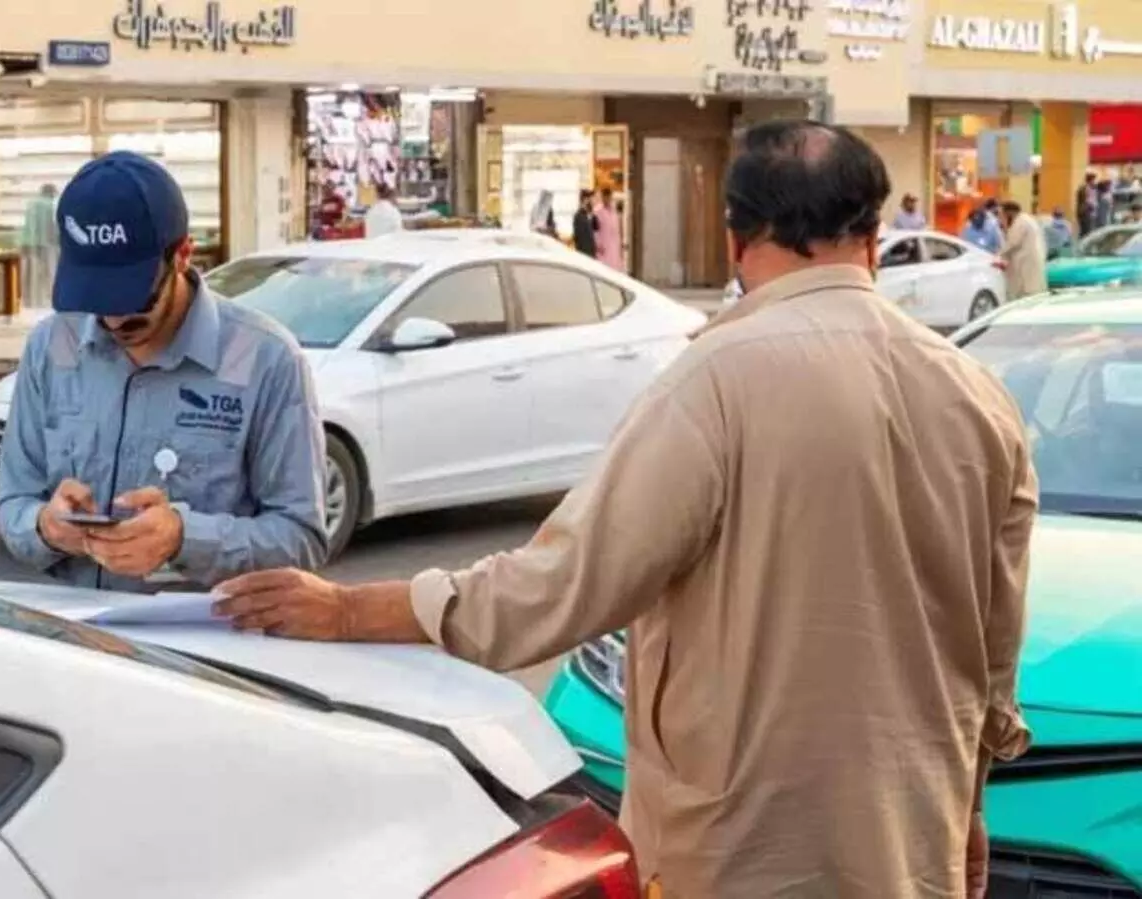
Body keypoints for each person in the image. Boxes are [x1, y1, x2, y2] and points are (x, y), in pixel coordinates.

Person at [215, 121, 1036, 897]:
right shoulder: (978, 396)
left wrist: (355, 611)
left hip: (742, 849)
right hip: (912, 834)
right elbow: (991, 653)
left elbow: (565, 584)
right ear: (872, 237)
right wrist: (966, 804)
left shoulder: (716, 379)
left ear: (736, 240)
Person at [0, 151, 328, 591]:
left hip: (197, 645)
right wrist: (45, 527)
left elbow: (301, 539)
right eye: (96, 301)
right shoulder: (52, 343)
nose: (113, 322)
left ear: (183, 255)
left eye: (134, 302)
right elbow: (14, 501)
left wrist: (184, 539)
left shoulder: (265, 359)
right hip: (73, 638)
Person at [20, 183, 60, 312]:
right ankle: (48, 299)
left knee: (34, 273)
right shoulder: (52, 205)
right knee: (50, 272)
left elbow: (27, 226)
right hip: (50, 243)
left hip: (32, 243)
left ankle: (32, 300)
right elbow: (55, 226)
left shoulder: (32, 204)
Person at [999, 199, 1049, 299]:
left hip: (1027, 263)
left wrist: (998, 255)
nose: (1002, 217)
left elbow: (1012, 243)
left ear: (1010, 212)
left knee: (1028, 291)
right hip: (1031, 260)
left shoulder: (1020, 222)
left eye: (1003, 214)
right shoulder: (1026, 219)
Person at [593, 187, 623, 271]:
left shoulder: (614, 212)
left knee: (615, 272)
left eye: (609, 197)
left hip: (614, 250)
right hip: (603, 250)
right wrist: (598, 244)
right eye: (605, 197)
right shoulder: (597, 212)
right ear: (602, 197)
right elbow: (595, 231)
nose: (607, 199)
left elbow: (617, 231)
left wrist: (620, 248)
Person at [572, 189, 598, 258]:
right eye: (592, 199)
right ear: (585, 200)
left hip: (591, 254)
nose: (594, 201)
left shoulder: (589, 215)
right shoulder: (579, 216)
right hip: (585, 256)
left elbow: (596, 228)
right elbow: (579, 240)